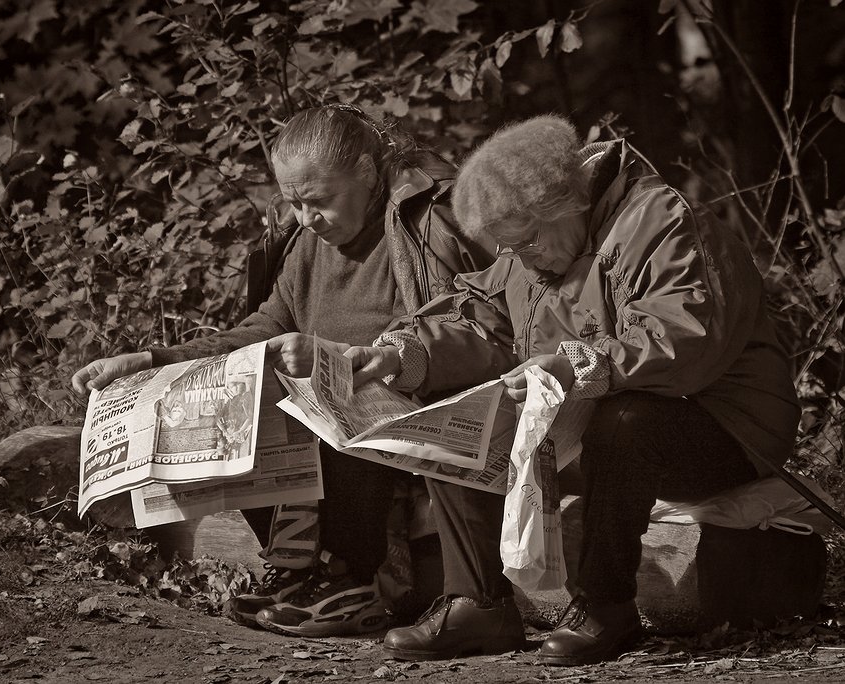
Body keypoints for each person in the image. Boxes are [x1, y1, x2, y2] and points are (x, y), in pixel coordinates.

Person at [346, 114, 801, 664]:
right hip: (591, 430)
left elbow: (687, 339)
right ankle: (478, 604)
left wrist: (576, 364)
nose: (523, 258)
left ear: (573, 200)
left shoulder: (662, 221)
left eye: (529, 241)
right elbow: (478, 318)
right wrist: (404, 354)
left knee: (628, 419)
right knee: (457, 416)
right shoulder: (532, 248)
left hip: (728, 429)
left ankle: (605, 606)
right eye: (507, 248)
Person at [71, 104, 496, 637]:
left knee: (336, 392)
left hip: (411, 415)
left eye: (318, 201)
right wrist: (154, 360)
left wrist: (343, 355)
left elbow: (461, 330)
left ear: (367, 172)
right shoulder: (307, 243)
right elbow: (267, 325)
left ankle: (353, 577)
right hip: (331, 424)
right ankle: (299, 568)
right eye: (293, 202)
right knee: (226, 399)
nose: (305, 219)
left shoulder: (426, 225)